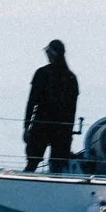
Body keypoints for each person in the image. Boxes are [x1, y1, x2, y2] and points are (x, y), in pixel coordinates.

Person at [24, 40, 79, 172]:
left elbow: (32, 103)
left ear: (52, 54)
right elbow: (72, 111)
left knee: (32, 163)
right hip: (62, 129)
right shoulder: (71, 78)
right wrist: (68, 132)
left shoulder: (42, 74)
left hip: (41, 125)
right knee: (58, 167)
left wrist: (26, 127)